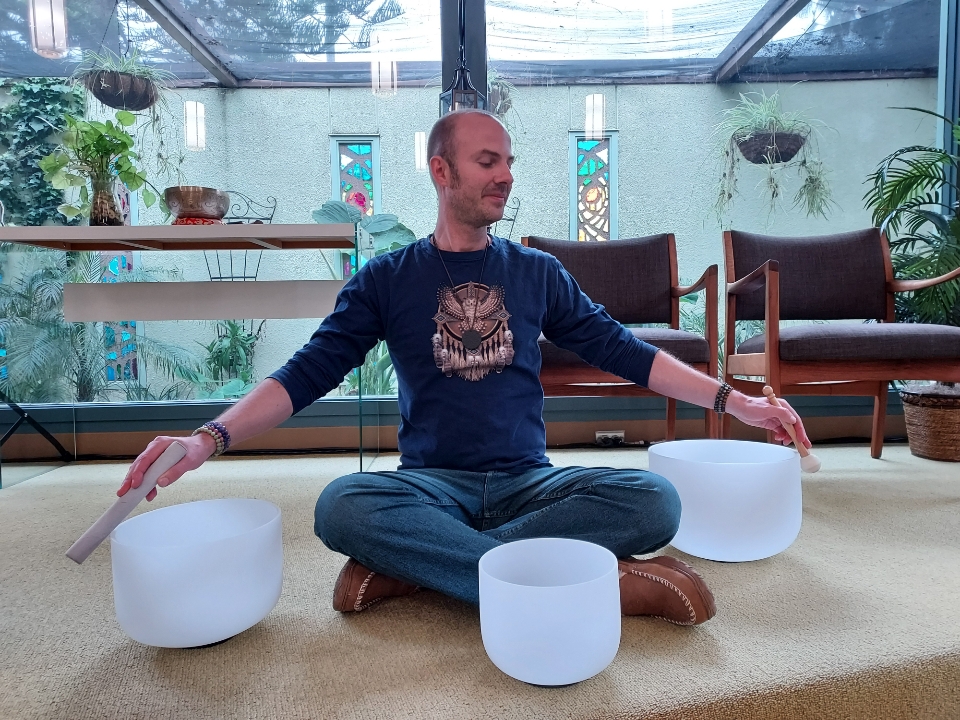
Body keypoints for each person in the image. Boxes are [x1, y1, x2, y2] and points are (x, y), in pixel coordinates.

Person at [118, 109, 809, 625]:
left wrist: (737, 400)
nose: (505, 175)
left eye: (508, 161)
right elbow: (305, 374)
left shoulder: (538, 273)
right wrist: (204, 438)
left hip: (530, 486)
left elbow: (625, 351)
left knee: (655, 500)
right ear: (441, 171)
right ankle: (575, 580)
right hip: (428, 489)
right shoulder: (387, 279)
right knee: (340, 506)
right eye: (487, 161)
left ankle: (426, 570)